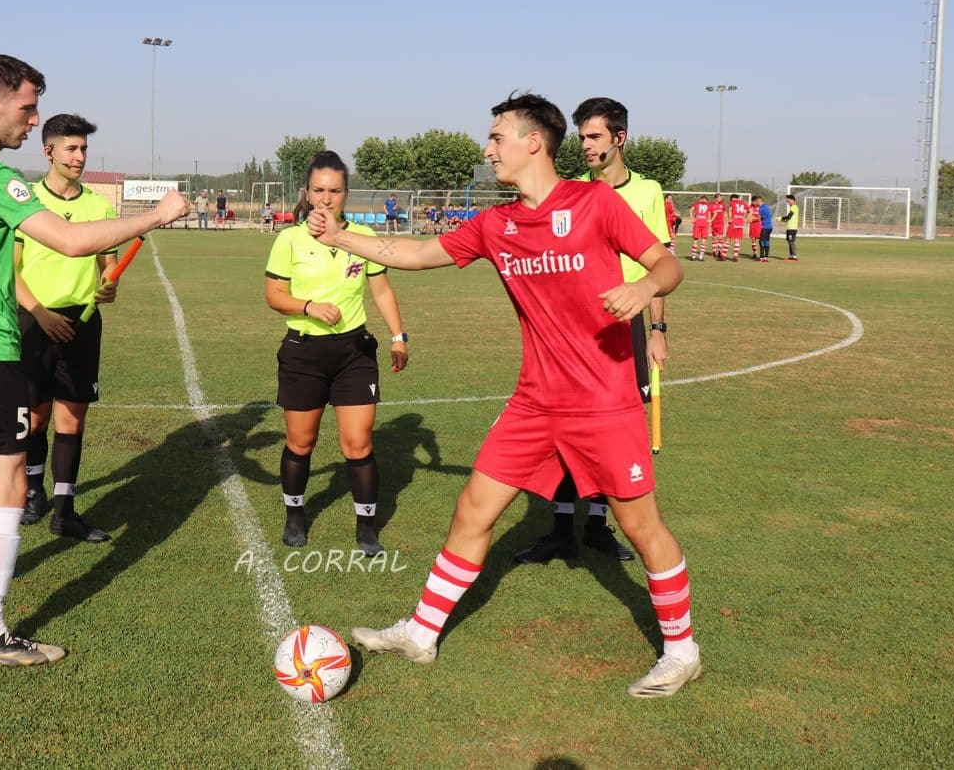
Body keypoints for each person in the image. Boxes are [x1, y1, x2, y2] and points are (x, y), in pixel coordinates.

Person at [309, 92, 697, 698]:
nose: (487, 148)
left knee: (640, 524)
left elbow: (667, 266)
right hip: (533, 403)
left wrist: (645, 287)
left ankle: (681, 651)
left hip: (603, 401)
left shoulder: (595, 203)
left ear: (533, 142)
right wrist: (342, 235)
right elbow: (413, 253)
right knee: (473, 508)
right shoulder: (498, 223)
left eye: (496, 137)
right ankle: (421, 632)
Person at [0, 54, 188, 669]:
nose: (33, 120)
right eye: (27, 107)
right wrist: (157, 215)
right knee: (9, 484)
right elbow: (70, 239)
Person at [514, 96, 668, 565]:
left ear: (619, 138)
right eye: (581, 136)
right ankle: (560, 528)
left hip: (624, 331)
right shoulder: (568, 190)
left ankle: (598, 526)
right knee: (562, 427)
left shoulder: (648, 192)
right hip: (570, 330)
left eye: (594, 136)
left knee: (613, 434)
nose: (585, 145)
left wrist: (657, 328)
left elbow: (660, 263)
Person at [264, 151, 410, 557]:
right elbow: (274, 296)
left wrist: (399, 336)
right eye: (319, 190)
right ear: (307, 193)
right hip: (304, 353)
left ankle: (366, 527)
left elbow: (381, 289)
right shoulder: (289, 239)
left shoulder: (361, 237)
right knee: (301, 442)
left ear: (347, 193)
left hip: (354, 352)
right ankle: (295, 514)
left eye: (335, 191)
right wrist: (308, 307)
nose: (326, 199)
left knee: (358, 444)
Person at [14, 113, 118, 544]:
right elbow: (9, 271)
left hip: (82, 323)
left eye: (84, 149)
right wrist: (40, 312)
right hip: (34, 320)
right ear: (49, 151)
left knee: (72, 419)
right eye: (72, 149)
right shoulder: (24, 202)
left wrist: (110, 284)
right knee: (35, 418)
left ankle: (65, 512)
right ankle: (32, 492)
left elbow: (107, 265)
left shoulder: (98, 206)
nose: (80, 157)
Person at [726, 193, 750, 261]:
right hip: (740, 223)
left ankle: (723, 255)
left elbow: (730, 211)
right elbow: (750, 211)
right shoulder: (743, 203)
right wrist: (745, 219)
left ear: (732, 199)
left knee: (728, 239)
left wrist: (729, 219)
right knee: (737, 240)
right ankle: (735, 256)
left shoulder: (732, 202)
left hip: (733, 222)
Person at [689, 194, 709, 260]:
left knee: (695, 240)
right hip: (705, 223)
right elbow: (711, 213)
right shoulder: (708, 204)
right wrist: (710, 220)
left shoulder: (697, 203)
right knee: (703, 240)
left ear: (701, 199)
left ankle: (693, 256)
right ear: (706, 200)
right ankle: (701, 257)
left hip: (697, 222)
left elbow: (691, 210)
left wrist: (692, 218)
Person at [780, 194, 800, 260]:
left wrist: (781, 218)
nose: (787, 203)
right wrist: (782, 219)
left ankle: (794, 256)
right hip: (789, 228)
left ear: (792, 200)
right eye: (787, 201)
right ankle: (791, 255)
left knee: (791, 241)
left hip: (792, 228)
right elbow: (788, 218)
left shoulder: (794, 207)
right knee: (789, 241)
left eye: (788, 201)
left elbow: (788, 217)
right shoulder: (792, 207)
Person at [709, 193, 727, 260]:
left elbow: (725, 213)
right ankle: (714, 252)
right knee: (714, 238)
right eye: (719, 198)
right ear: (715, 198)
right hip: (714, 223)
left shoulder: (723, 205)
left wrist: (727, 221)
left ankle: (719, 251)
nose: (720, 199)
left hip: (721, 223)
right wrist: (709, 220)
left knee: (720, 238)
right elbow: (709, 213)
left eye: (721, 197)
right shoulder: (711, 205)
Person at [756, 195, 774, 261]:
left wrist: (754, 218)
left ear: (758, 201)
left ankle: (761, 257)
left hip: (765, 227)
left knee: (761, 241)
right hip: (770, 227)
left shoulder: (761, 208)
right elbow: (770, 215)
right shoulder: (767, 207)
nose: (756, 203)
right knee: (766, 241)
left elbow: (760, 218)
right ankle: (766, 257)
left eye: (756, 202)